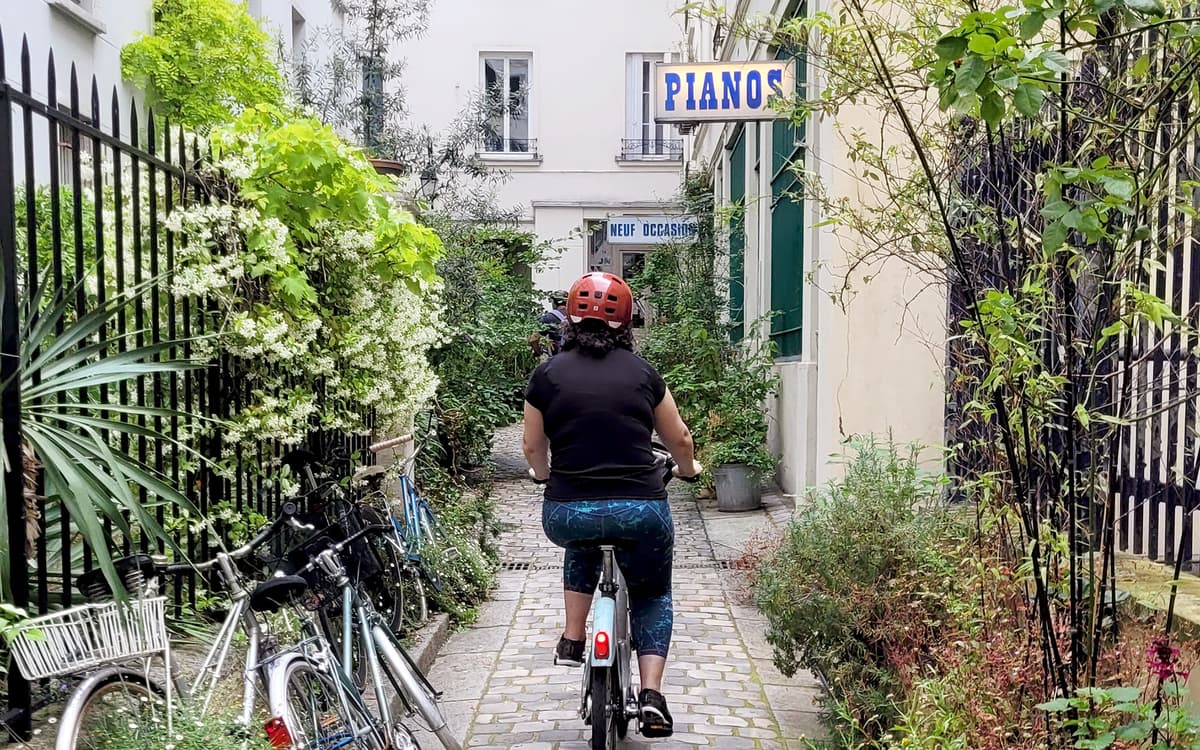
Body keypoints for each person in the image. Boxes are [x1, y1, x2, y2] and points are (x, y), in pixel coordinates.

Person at [522, 271, 703, 738]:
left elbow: (530, 447)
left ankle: (573, 636)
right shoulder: (644, 375)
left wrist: (544, 476)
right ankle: (652, 695)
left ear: (570, 318)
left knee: (582, 539)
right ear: (626, 324)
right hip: (640, 508)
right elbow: (679, 438)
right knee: (652, 593)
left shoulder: (545, 376)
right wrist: (688, 470)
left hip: (567, 512)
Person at [536, 291, 568, 356]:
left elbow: (533, 338)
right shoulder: (575, 316)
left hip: (557, 361)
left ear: (554, 303)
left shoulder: (548, 318)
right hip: (576, 360)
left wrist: (538, 352)